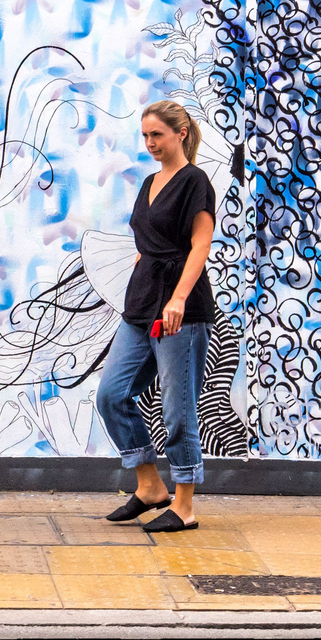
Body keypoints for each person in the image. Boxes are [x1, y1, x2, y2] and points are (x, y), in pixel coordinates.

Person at [94, 99, 216, 532]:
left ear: (180, 133)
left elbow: (200, 243)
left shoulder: (194, 181)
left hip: (179, 307)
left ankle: (184, 506)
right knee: (112, 395)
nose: (150, 143)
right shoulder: (150, 180)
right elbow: (148, 241)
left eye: (157, 135)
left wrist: (179, 298)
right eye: (145, 136)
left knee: (177, 407)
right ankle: (149, 486)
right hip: (142, 302)